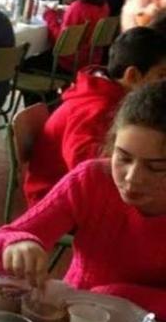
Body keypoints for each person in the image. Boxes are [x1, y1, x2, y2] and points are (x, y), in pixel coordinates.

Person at [0, 80, 166, 320]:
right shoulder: (93, 180)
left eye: (156, 167)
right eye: (123, 158)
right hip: (74, 317)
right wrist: (15, 244)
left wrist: (116, 295)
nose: (132, 178)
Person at [23, 27, 166, 206]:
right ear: (133, 75)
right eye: (161, 75)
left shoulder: (111, 95)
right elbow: (86, 168)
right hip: (55, 201)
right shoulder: (94, 107)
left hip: (76, 189)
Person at [43, 0, 110, 71]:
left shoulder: (77, 7)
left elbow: (62, 41)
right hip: (93, 58)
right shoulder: (104, 6)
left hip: (71, 61)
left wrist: (49, 15)